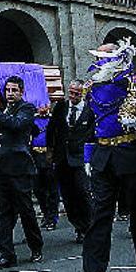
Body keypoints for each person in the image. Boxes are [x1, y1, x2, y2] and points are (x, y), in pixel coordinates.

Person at [71, 41, 136, 272]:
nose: (100, 61)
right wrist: (85, 154)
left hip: (131, 155)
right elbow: (89, 126)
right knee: (99, 217)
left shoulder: (135, 82)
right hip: (103, 159)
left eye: (105, 56)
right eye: (98, 56)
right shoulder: (92, 88)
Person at [0, 76, 44, 269]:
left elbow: (17, 124)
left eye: (14, 91)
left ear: (21, 92)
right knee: (2, 213)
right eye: (8, 90)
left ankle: (36, 246)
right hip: (0, 169)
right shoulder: (1, 110)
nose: (10, 94)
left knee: (26, 210)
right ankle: (7, 254)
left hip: (19, 169)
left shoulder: (26, 109)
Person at [47, 80, 93, 242]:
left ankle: (89, 226)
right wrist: (50, 152)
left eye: (76, 94)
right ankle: (78, 227)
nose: (72, 96)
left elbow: (93, 134)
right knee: (68, 195)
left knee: (82, 192)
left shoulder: (90, 111)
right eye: (71, 93)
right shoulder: (61, 107)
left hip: (80, 158)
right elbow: (51, 130)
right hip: (62, 159)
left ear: (82, 94)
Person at [30, 110, 59, 231]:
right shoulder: (32, 119)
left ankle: (52, 217)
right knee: (38, 188)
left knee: (52, 189)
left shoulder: (54, 119)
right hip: (35, 155)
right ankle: (45, 213)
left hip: (49, 155)